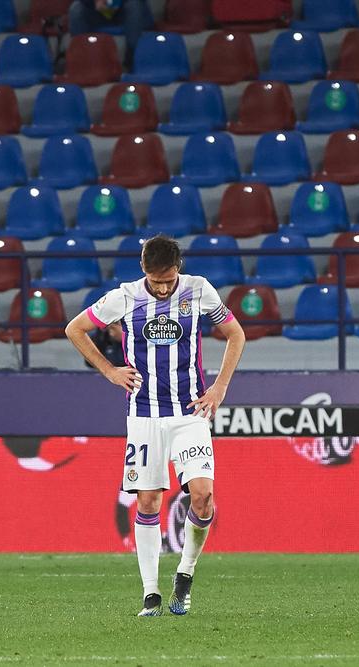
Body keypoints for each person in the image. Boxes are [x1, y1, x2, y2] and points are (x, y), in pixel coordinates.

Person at [65, 234, 246, 617]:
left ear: (178, 268)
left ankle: (185, 574)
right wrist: (110, 370)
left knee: (203, 496)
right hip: (144, 416)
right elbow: (75, 328)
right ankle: (151, 593)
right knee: (147, 501)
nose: (162, 288)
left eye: (167, 280)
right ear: (143, 269)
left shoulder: (198, 290)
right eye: (155, 280)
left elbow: (235, 333)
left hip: (190, 413)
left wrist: (219, 388)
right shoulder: (126, 296)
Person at [68, 0, 154, 69]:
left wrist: (113, 2)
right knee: (76, 8)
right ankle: (81, 61)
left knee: (134, 5)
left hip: (124, 9)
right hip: (96, 10)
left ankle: (133, 59)